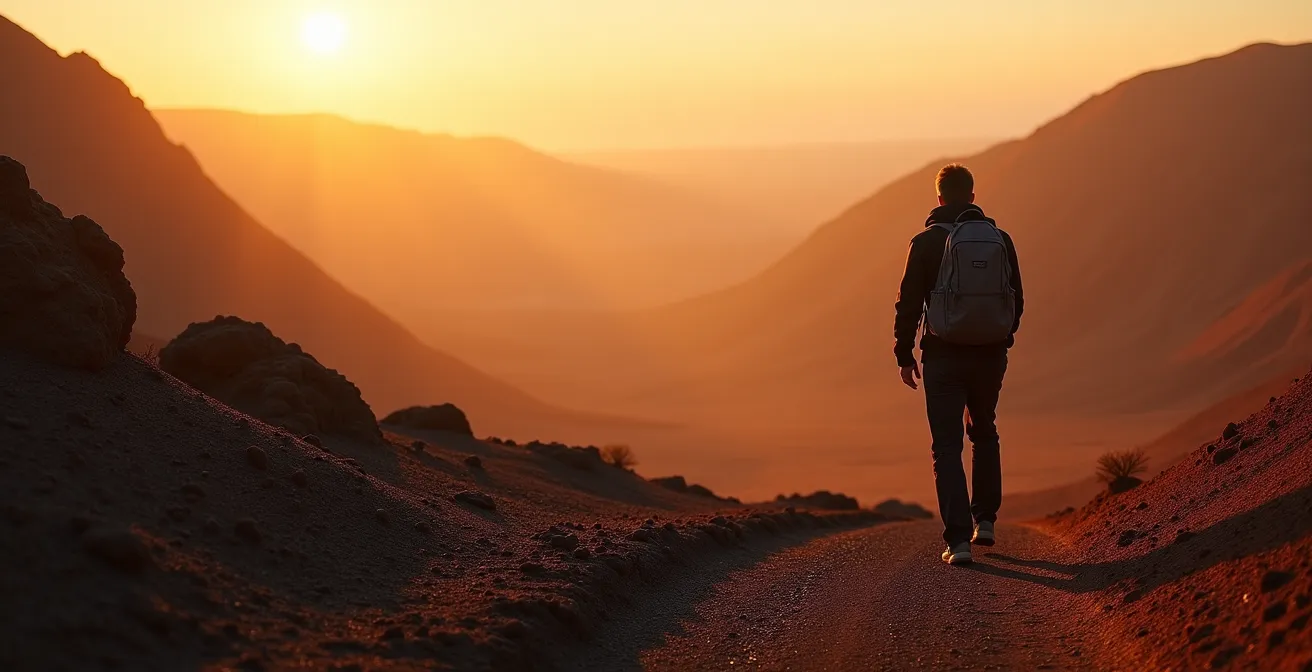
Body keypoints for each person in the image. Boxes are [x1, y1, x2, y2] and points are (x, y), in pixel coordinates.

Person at [893, 164, 1023, 565]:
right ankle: (985, 520)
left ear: (938, 198)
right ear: (971, 196)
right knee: (984, 431)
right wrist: (1004, 337)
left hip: (943, 355)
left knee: (946, 446)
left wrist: (904, 353)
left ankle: (958, 542)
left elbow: (909, 303)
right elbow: (1016, 298)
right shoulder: (999, 239)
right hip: (990, 354)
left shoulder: (926, 243)